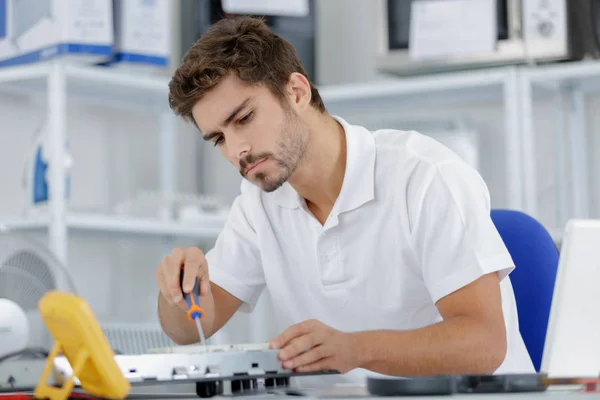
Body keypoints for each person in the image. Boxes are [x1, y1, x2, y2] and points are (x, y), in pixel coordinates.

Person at [155, 15, 535, 384]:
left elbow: (485, 343)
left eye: (245, 118)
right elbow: (191, 329)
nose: (238, 149)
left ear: (297, 92)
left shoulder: (424, 175)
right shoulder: (259, 204)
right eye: (219, 138)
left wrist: (356, 349)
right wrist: (177, 292)